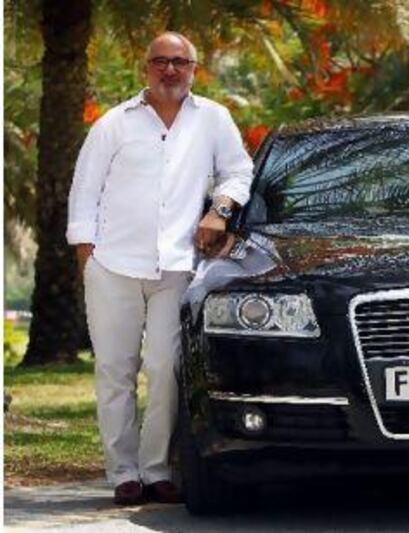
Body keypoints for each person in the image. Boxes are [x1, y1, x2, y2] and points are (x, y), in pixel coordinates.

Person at [66, 32, 253, 505]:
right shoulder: (114, 124)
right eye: (160, 62)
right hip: (112, 265)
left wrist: (221, 210)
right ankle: (123, 474)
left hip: (177, 266)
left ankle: (156, 470)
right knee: (115, 371)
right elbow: (84, 191)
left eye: (179, 62)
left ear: (194, 68)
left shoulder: (214, 118)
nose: (169, 70)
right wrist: (87, 256)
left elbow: (238, 171)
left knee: (166, 367)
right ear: (145, 67)